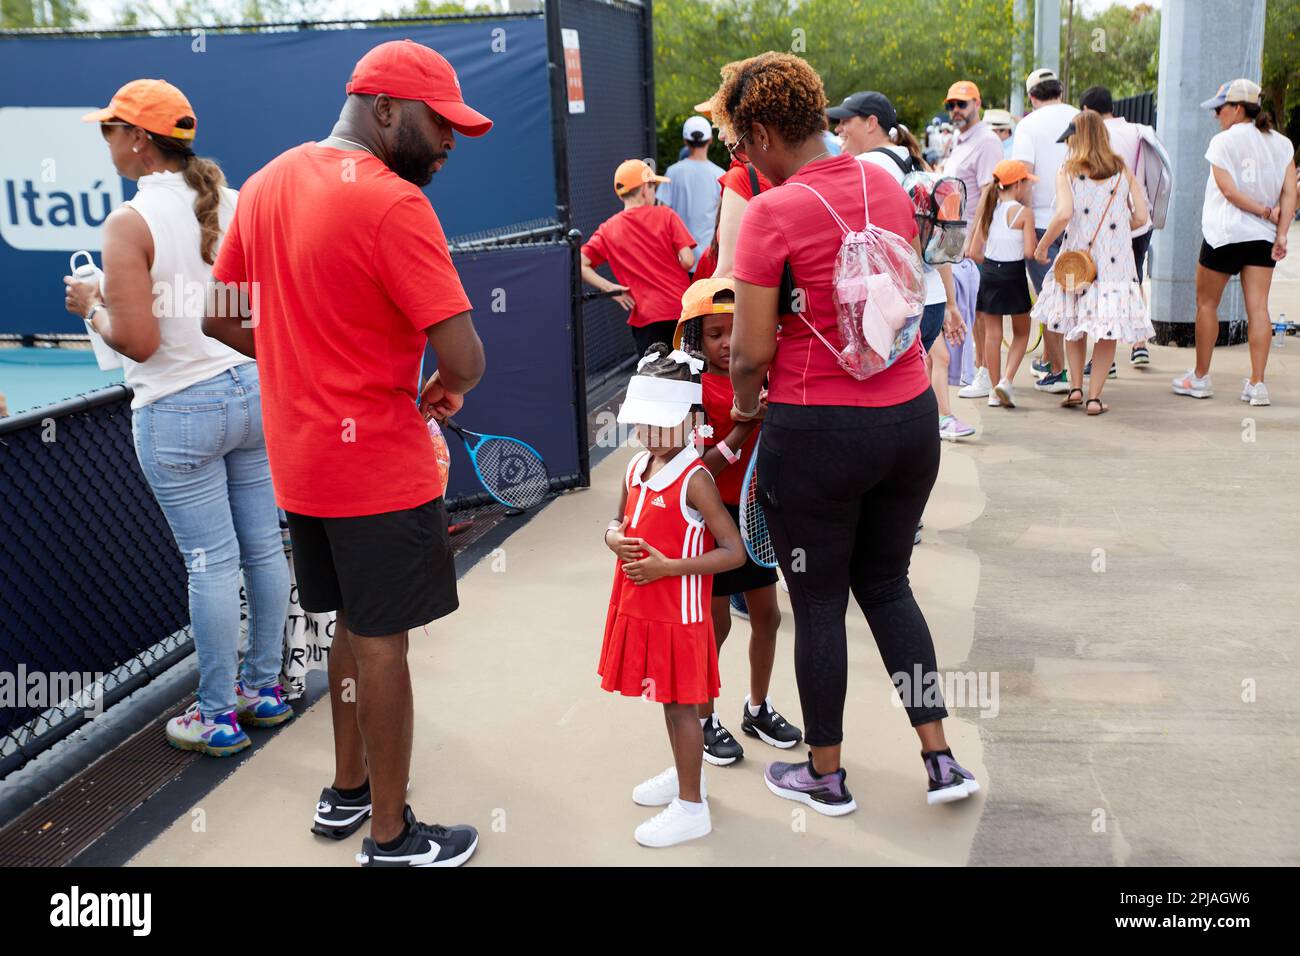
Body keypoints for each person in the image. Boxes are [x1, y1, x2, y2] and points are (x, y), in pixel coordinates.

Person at [203, 39, 488, 867]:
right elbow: (465, 359)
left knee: (351, 626)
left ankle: (347, 792)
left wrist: (300, 357)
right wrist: (446, 384)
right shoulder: (397, 205)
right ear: (387, 109)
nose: (448, 143)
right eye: (441, 124)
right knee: (383, 642)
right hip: (376, 468)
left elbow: (219, 317)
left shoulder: (266, 181)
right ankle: (392, 838)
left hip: (303, 465)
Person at [714, 51, 979, 815]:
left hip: (817, 431)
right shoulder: (885, 181)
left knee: (821, 603)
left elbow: (753, 350)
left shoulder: (771, 212)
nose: (742, 158)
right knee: (890, 586)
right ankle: (940, 760)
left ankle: (825, 776)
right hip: (907, 422)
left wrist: (741, 407)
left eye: (741, 143)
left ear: (764, 131)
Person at [64, 79, 290, 758]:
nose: (105, 140)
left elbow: (138, 342)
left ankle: (217, 715)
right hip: (252, 393)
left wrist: (89, 308)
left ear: (137, 139)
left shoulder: (128, 223)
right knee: (262, 547)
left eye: (110, 129)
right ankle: (264, 690)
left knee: (211, 565)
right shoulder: (235, 199)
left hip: (180, 411)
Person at [600, 345, 746, 847]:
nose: (650, 434)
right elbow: (617, 521)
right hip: (639, 608)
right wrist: (612, 538)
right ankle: (691, 779)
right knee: (667, 702)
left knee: (681, 708)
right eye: (643, 422)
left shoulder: (696, 478)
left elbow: (734, 552)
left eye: (662, 423)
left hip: (680, 617)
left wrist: (668, 567)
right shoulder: (635, 466)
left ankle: (691, 807)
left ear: (691, 419)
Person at [671, 278, 802, 766]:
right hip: (713, 522)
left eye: (735, 330)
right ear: (694, 339)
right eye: (714, 334)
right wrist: (747, 423)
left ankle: (757, 707)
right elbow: (698, 470)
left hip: (757, 514)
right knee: (718, 623)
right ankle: (704, 719)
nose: (727, 343)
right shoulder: (695, 390)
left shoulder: (764, 374)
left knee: (767, 616)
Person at [829, 90, 971, 440]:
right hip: (931, 297)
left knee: (886, 400)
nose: (839, 129)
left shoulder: (868, 168)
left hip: (896, 304)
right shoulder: (912, 161)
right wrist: (950, 303)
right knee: (911, 387)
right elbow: (935, 242)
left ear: (872, 123)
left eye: (847, 120)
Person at [1172, 79, 1296, 405]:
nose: (1216, 116)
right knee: (1258, 309)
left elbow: (1227, 191)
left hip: (1224, 235)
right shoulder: (1282, 144)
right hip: (1261, 239)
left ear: (1238, 108)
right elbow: (1290, 193)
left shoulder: (1222, 142)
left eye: (1220, 108)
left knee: (1206, 305)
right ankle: (1257, 384)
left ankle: (1200, 378)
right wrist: (1280, 230)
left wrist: (1264, 211)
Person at [1031, 111, 1151, 416]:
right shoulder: (1122, 169)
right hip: (1116, 263)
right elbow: (1141, 216)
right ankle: (1095, 397)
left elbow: (1063, 214)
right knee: (1107, 330)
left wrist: (1044, 245)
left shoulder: (1068, 170)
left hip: (1077, 261)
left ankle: (1075, 387)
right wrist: (1119, 229)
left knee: (1075, 323)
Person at [581, 159, 696, 354]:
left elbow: (580, 264)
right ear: (644, 189)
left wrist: (612, 289)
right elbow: (688, 260)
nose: (654, 192)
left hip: (646, 318)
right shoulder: (666, 216)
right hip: (681, 311)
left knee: (654, 378)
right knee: (688, 375)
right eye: (653, 186)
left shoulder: (608, 229)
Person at [1080, 84, 1158, 370]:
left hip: (1106, 226)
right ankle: (1139, 344)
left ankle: (1105, 361)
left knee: (1101, 289)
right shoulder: (1138, 131)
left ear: (1087, 111)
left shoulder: (1093, 136)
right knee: (1132, 280)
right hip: (1138, 219)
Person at [1012, 67, 1079, 393]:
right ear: (1060, 92)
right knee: (1077, 296)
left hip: (1042, 224)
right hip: (1082, 224)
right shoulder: (1082, 118)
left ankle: (1057, 370)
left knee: (1052, 298)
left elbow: (1023, 178)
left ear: (1032, 97)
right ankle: (1077, 373)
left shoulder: (1028, 125)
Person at [943, 80, 1006, 399]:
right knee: (973, 308)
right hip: (957, 239)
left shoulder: (986, 141)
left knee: (983, 310)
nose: (955, 110)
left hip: (972, 240)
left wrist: (977, 239)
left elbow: (988, 193)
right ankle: (979, 370)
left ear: (977, 104)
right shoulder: (962, 139)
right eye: (951, 105)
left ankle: (984, 373)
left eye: (961, 104)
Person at [968, 160, 1038, 408]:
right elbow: (1029, 252)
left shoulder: (989, 211)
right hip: (1013, 273)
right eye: (1026, 182)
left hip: (989, 272)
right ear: (1018, 184)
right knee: (1022, 332)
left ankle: (993, 390)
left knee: (992, 334)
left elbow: (973, 251)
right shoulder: (1024, 213)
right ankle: (1006, 380)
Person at [661, 117, 726, 272]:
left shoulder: (672, 172)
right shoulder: (720, 175)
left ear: (685, 141)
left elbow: (662, 214)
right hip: (710, 259)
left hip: (679, 258)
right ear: (710, 140)